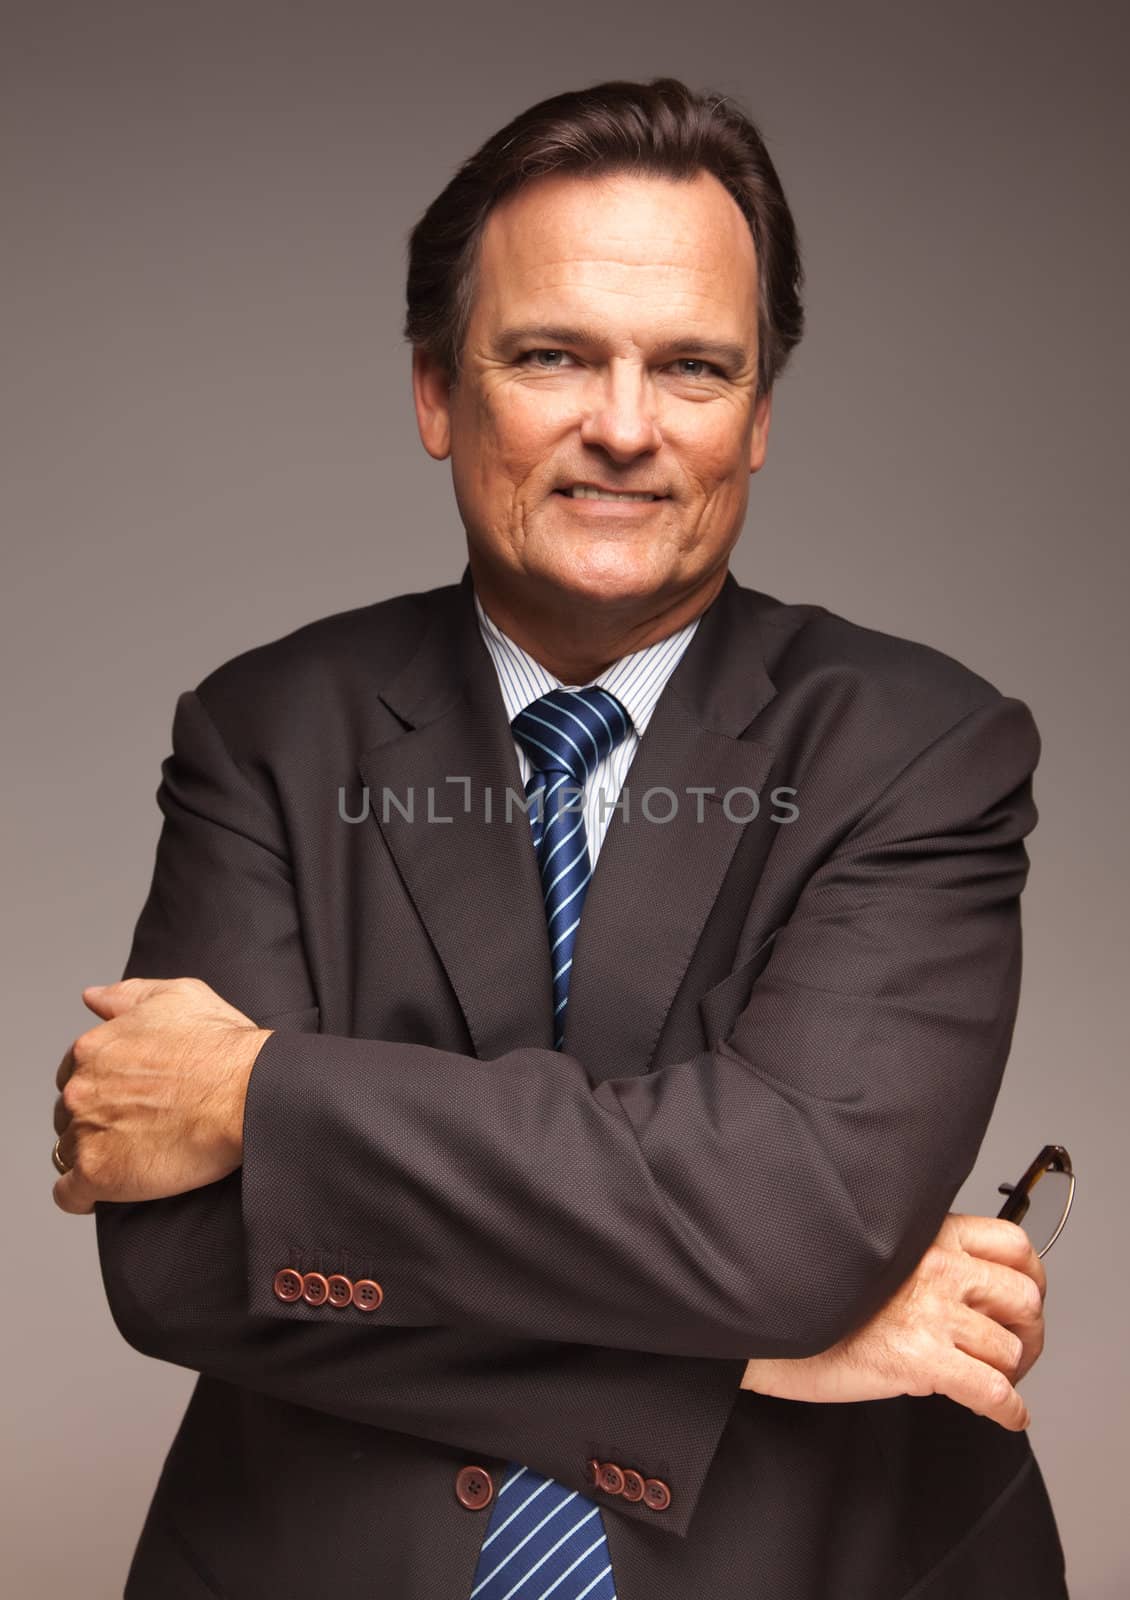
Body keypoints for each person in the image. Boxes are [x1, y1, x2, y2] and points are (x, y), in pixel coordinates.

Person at [52, 77, 1069, 1599]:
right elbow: (181, 1265)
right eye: (549, 356)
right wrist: (726, 1361)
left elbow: (786, 1223)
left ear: (759, 417)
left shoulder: (923, 746)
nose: (622, 428)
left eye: (692, 369)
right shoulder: (266, 727)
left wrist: (260, 1095)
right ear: (436, 393)